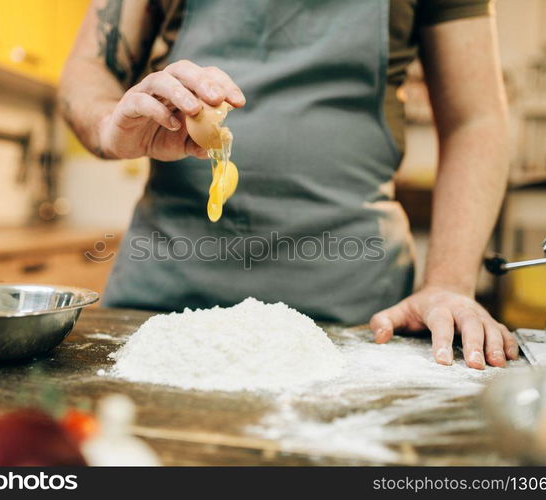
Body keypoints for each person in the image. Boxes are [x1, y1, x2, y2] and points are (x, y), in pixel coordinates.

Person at [60, 0, 518, 370]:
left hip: (355, 314)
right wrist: (107, 125)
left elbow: (475, 120)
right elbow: (87, 67)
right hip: (159, 302)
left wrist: (449, 282)